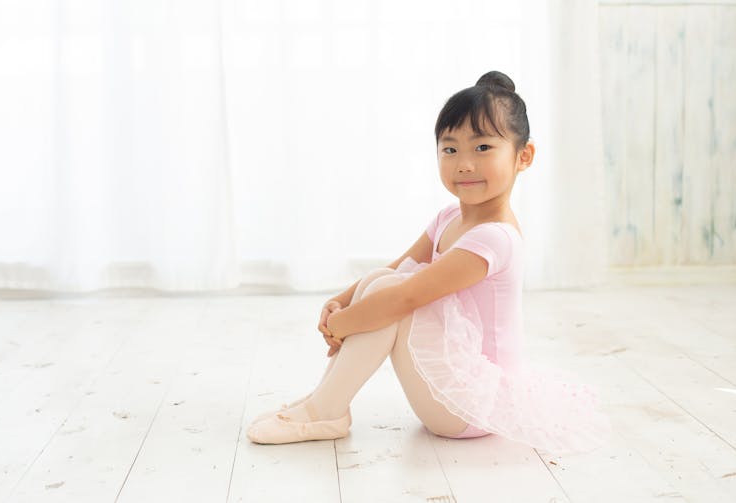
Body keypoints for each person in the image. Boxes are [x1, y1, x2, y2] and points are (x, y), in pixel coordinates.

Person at [246, 70, 611, 455]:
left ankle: (326, 409)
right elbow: (397, 267)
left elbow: (404, 299)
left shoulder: (495, 237)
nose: (464, 164)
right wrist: (341, 299)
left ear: (524, 156)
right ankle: (325, 402)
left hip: (470, 408)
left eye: (483, 148)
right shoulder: (449, 217)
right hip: (449, 388)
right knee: (382, 279)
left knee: (392, 292)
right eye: (450, 149)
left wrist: (342, 324)